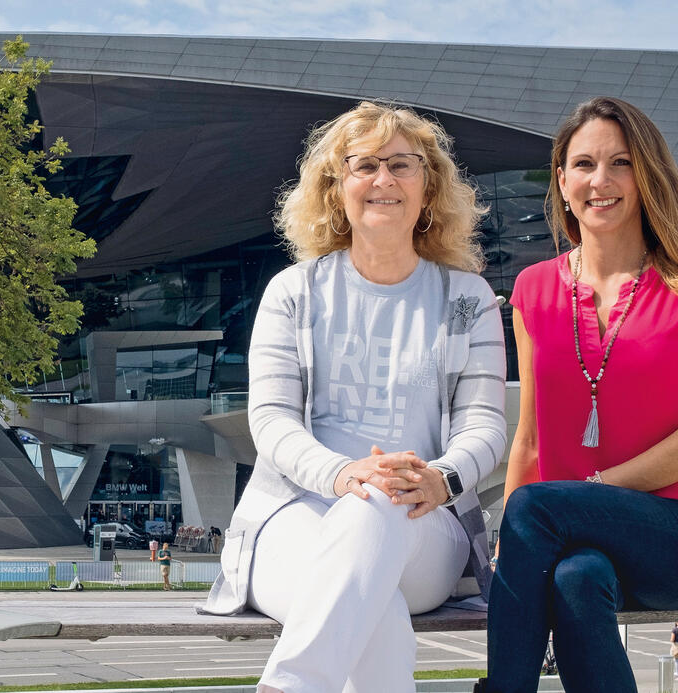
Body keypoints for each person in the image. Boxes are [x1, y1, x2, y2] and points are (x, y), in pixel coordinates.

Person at [201, 101, 506, 693]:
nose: (384, 180)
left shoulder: (468, 298)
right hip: (293, 520)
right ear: (335, 186)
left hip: (424, 523)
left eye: (402, 164)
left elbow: (486, 425)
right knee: (376, 611)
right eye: (364, 164)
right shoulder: (293, 292)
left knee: (380, 505)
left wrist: (440, 477)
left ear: (430, 186)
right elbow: (270, 420)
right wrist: (344, 475)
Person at [480, 96, 678, 693]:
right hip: (575, 538)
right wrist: (513, 546)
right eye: (583, 165)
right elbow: (529, 435)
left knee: (537, 507)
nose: (599, 181)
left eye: (621, 163)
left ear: (647, 175)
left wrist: (591, 493)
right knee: (576, 578)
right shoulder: (533, 289)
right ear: (561, 180)